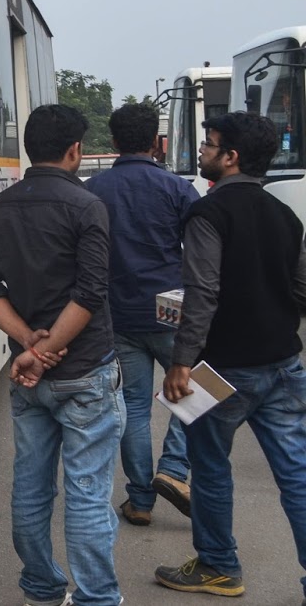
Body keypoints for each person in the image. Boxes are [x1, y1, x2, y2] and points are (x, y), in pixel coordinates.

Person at [0, 103, 123, 606]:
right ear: (75, 151)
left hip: (29, 378)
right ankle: (96, 597)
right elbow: (90, 293)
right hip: (86, 371)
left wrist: (28, 344)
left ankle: (40, 586)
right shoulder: (86, 206)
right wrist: (47, 348)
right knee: (87, 494)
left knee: (31, 489)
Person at [154, 111, 306, 599]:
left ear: (231, 157)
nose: (202, 150)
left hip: (221, 369)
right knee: (298, 476)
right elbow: (301, 287)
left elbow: (202, 292)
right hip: (284, 363)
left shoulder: (208, 213)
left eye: (210, 143)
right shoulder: (285, 214)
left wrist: (181, 362)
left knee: (211, 468)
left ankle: (219, 567)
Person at [85, 101, 199, 526]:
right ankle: (173, 468)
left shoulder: (93, 189)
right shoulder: (177, 188)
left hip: (118, 310)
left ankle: (140, 501)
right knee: (197, 391)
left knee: (133, 405)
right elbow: (200, 252)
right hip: (170, 306)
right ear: (156, 141)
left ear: (114, 141)